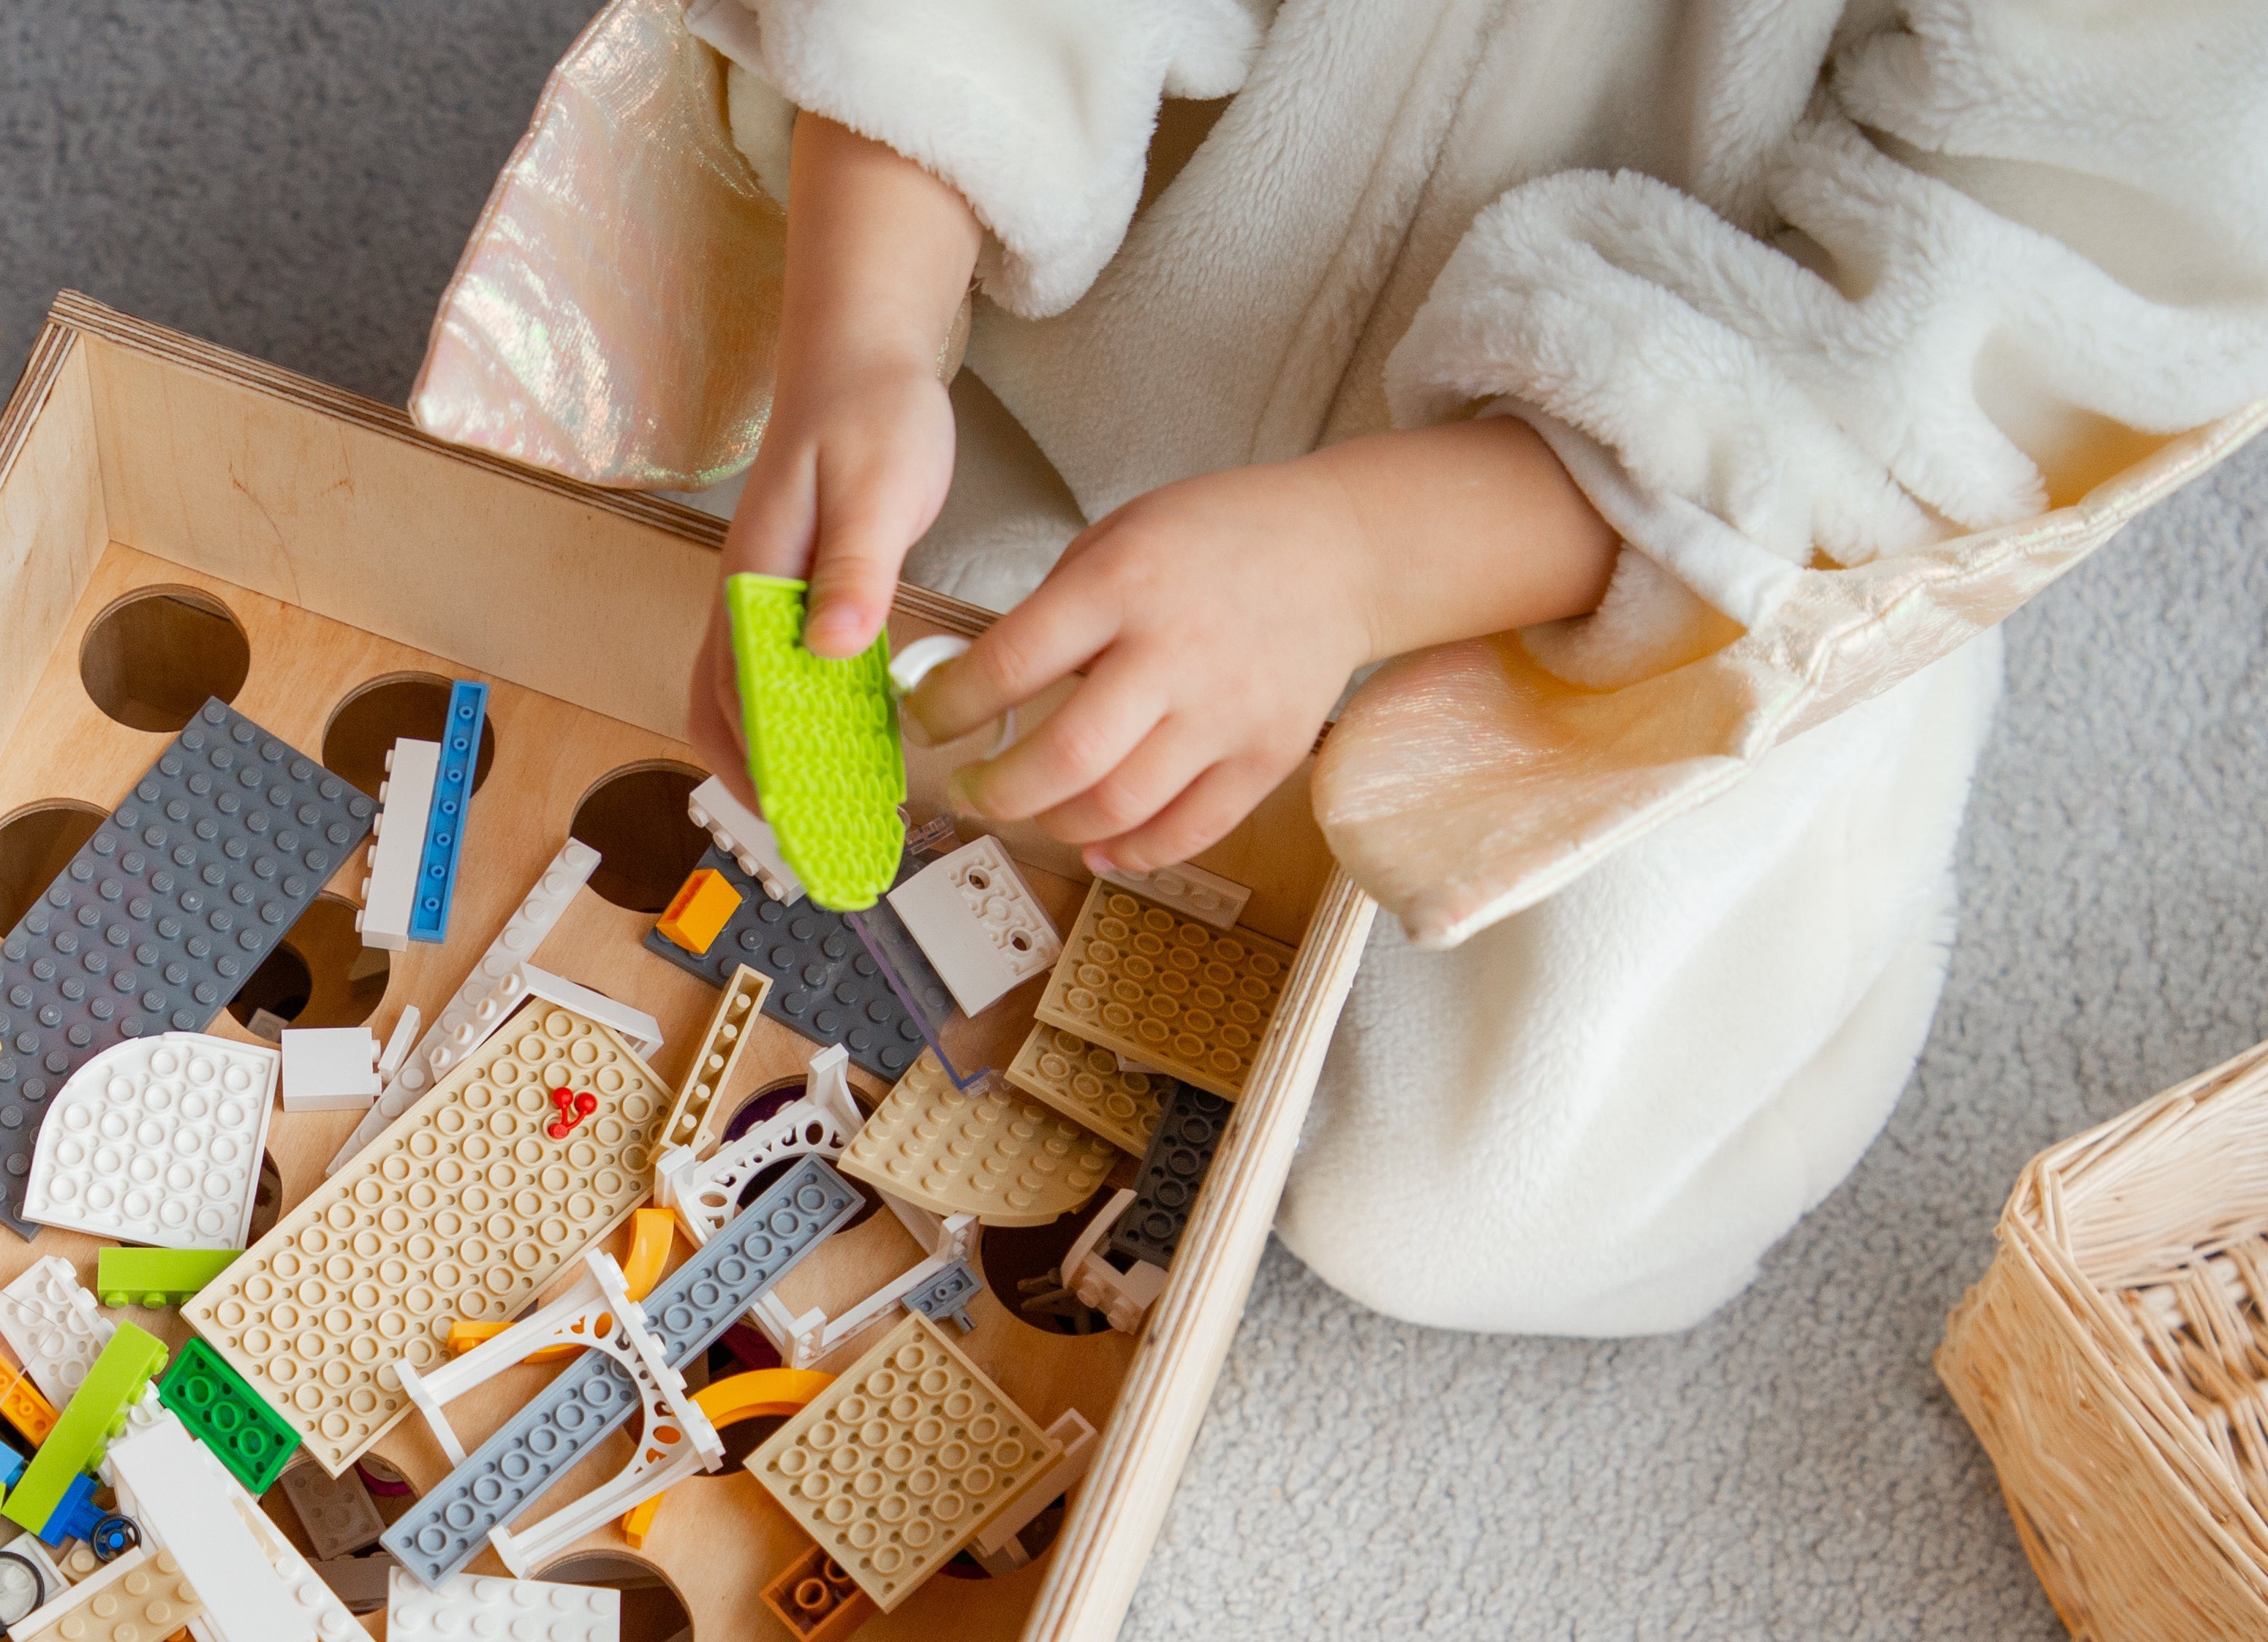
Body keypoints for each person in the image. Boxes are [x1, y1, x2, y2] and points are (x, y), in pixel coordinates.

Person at [438, 0, 2268, 1336]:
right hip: (1100, 320)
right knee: (634, 559)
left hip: (1651, 534)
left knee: (1467, 1193)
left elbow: (1985, 327)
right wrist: (870, 327)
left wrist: (1358, 559)